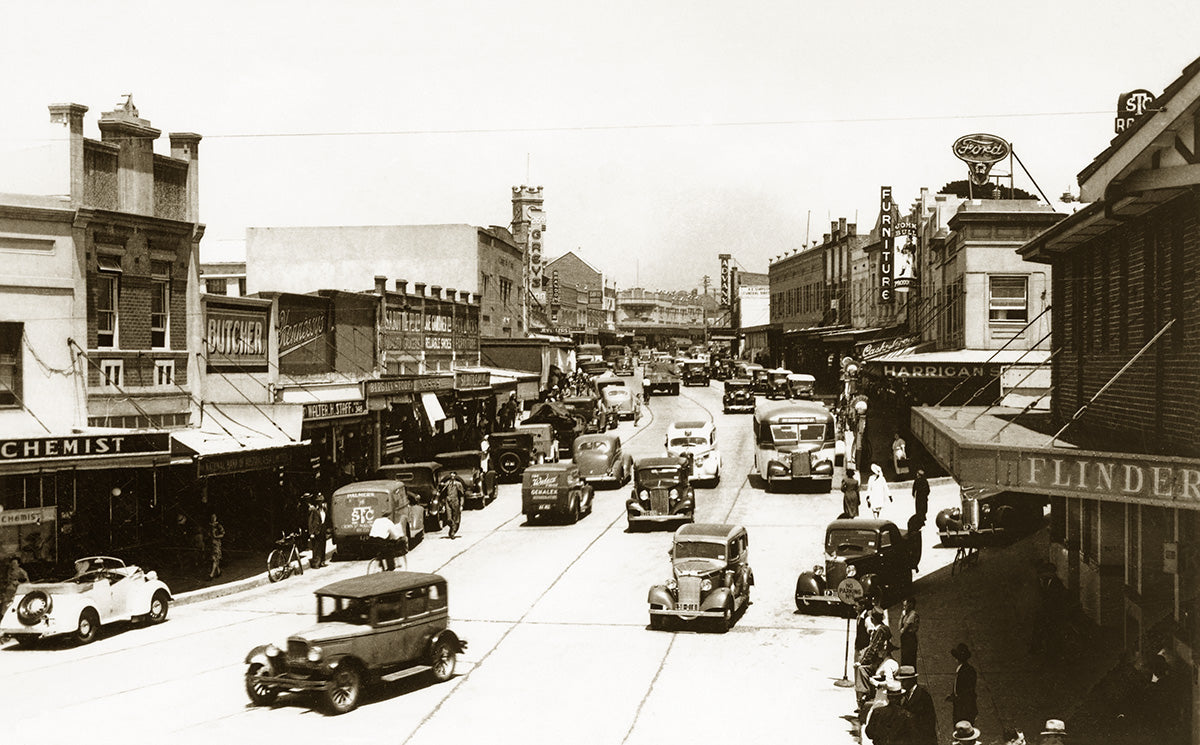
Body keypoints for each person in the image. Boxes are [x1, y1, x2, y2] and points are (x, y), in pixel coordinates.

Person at [1030, 562, 1067, 661]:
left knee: (1050, 634)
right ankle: (1039, 649)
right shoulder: (1042, 582)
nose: (1041, 576)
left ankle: (1050, 654)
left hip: (1053, 614)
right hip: (1044, 613)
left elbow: (1057, 602)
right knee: (1040, 631)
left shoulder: (1057, 584)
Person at [864, 679, 915, 745]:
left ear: (888, 696)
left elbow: (869, 733)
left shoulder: (877, 712)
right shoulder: (907, 715)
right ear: (901, 697)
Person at [897, 665, 937, 745]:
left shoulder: (923, 695)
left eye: (904, 681)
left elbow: (929, 720)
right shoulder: (904, 695)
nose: (902, 684)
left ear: (912, 680)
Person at [947, 643, 978, 726]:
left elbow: (965, 691)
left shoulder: (963, 671)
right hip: (965, 705)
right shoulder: (968, 669)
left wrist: (956, 697)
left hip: (963, 707)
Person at [440, 472, 465, 539]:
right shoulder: (447, 484)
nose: (452, 476)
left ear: (456, 476)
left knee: (456, 518)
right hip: (448, 501)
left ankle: (452, 532)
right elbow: (443, 494)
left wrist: (461, 505)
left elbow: (462, 495)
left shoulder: (458, 484)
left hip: (455, 501)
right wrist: (442, 505)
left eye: (454, 475)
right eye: (451, 475)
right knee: (448, 518)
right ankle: (452, 528)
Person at [307, 495, 327, 569]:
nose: (320, 503)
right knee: (316, 547)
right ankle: (315, 563)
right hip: (316, 531)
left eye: (321, 501)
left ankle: (322, 561)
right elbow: (310, 522)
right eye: (319, 501)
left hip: (322, 529)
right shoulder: (314, 510)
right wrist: (311, 533)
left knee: (323, 546)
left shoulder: (324, 509)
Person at [898, 598, 919, 667]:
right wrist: (902, 616)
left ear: (910, 605)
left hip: (910, 638)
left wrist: (902, 628)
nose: (904, 608)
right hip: (905, 638)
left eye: (905, 606)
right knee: (904, 657)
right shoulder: (906, 614)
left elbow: (903, 629)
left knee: (910, 658)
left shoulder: (913, 614)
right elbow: (899, 627)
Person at [208, 513, 225, 579]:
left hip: (217, 544)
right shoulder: (210, 526)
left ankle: (211, 574)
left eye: (214, 517)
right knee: (214, 558)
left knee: (215, 558)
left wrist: (216, 536)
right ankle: (218, 571)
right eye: (212, 517)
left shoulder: (218, 526)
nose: (213, 518)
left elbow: (223, 534)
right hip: (211, 544)